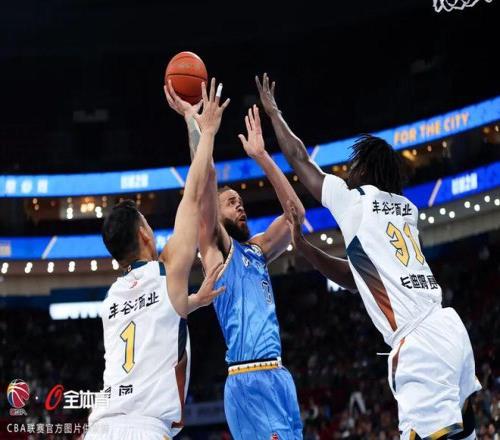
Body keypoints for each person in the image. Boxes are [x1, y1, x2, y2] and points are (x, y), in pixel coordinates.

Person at [257, 73, 481, 440]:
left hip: (420, 343)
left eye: (352, 166)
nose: (346, 172)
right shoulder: (407, 209)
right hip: (450, 330)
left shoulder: (355, 201)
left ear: (363, 170)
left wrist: (274, 113)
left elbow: (300, 159)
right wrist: (307, 249)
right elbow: (357, 278)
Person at [85, 79, 229, 440]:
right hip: (145, 428)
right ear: (144, 234)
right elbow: (194, 193)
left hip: (100, 426)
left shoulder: (112, 300)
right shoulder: (168, 271)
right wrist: (203, 128)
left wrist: (191, 302)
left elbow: (150, 319)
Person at [165, 82, 305, 439]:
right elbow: (204, 181)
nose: (239, 206)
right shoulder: (217, 248)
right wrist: (195, 124)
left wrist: (262, 157)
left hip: (278, 375)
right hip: (249, 378)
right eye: (231, 203)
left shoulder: (257, 250)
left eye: (240, 202)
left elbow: (296, 216)